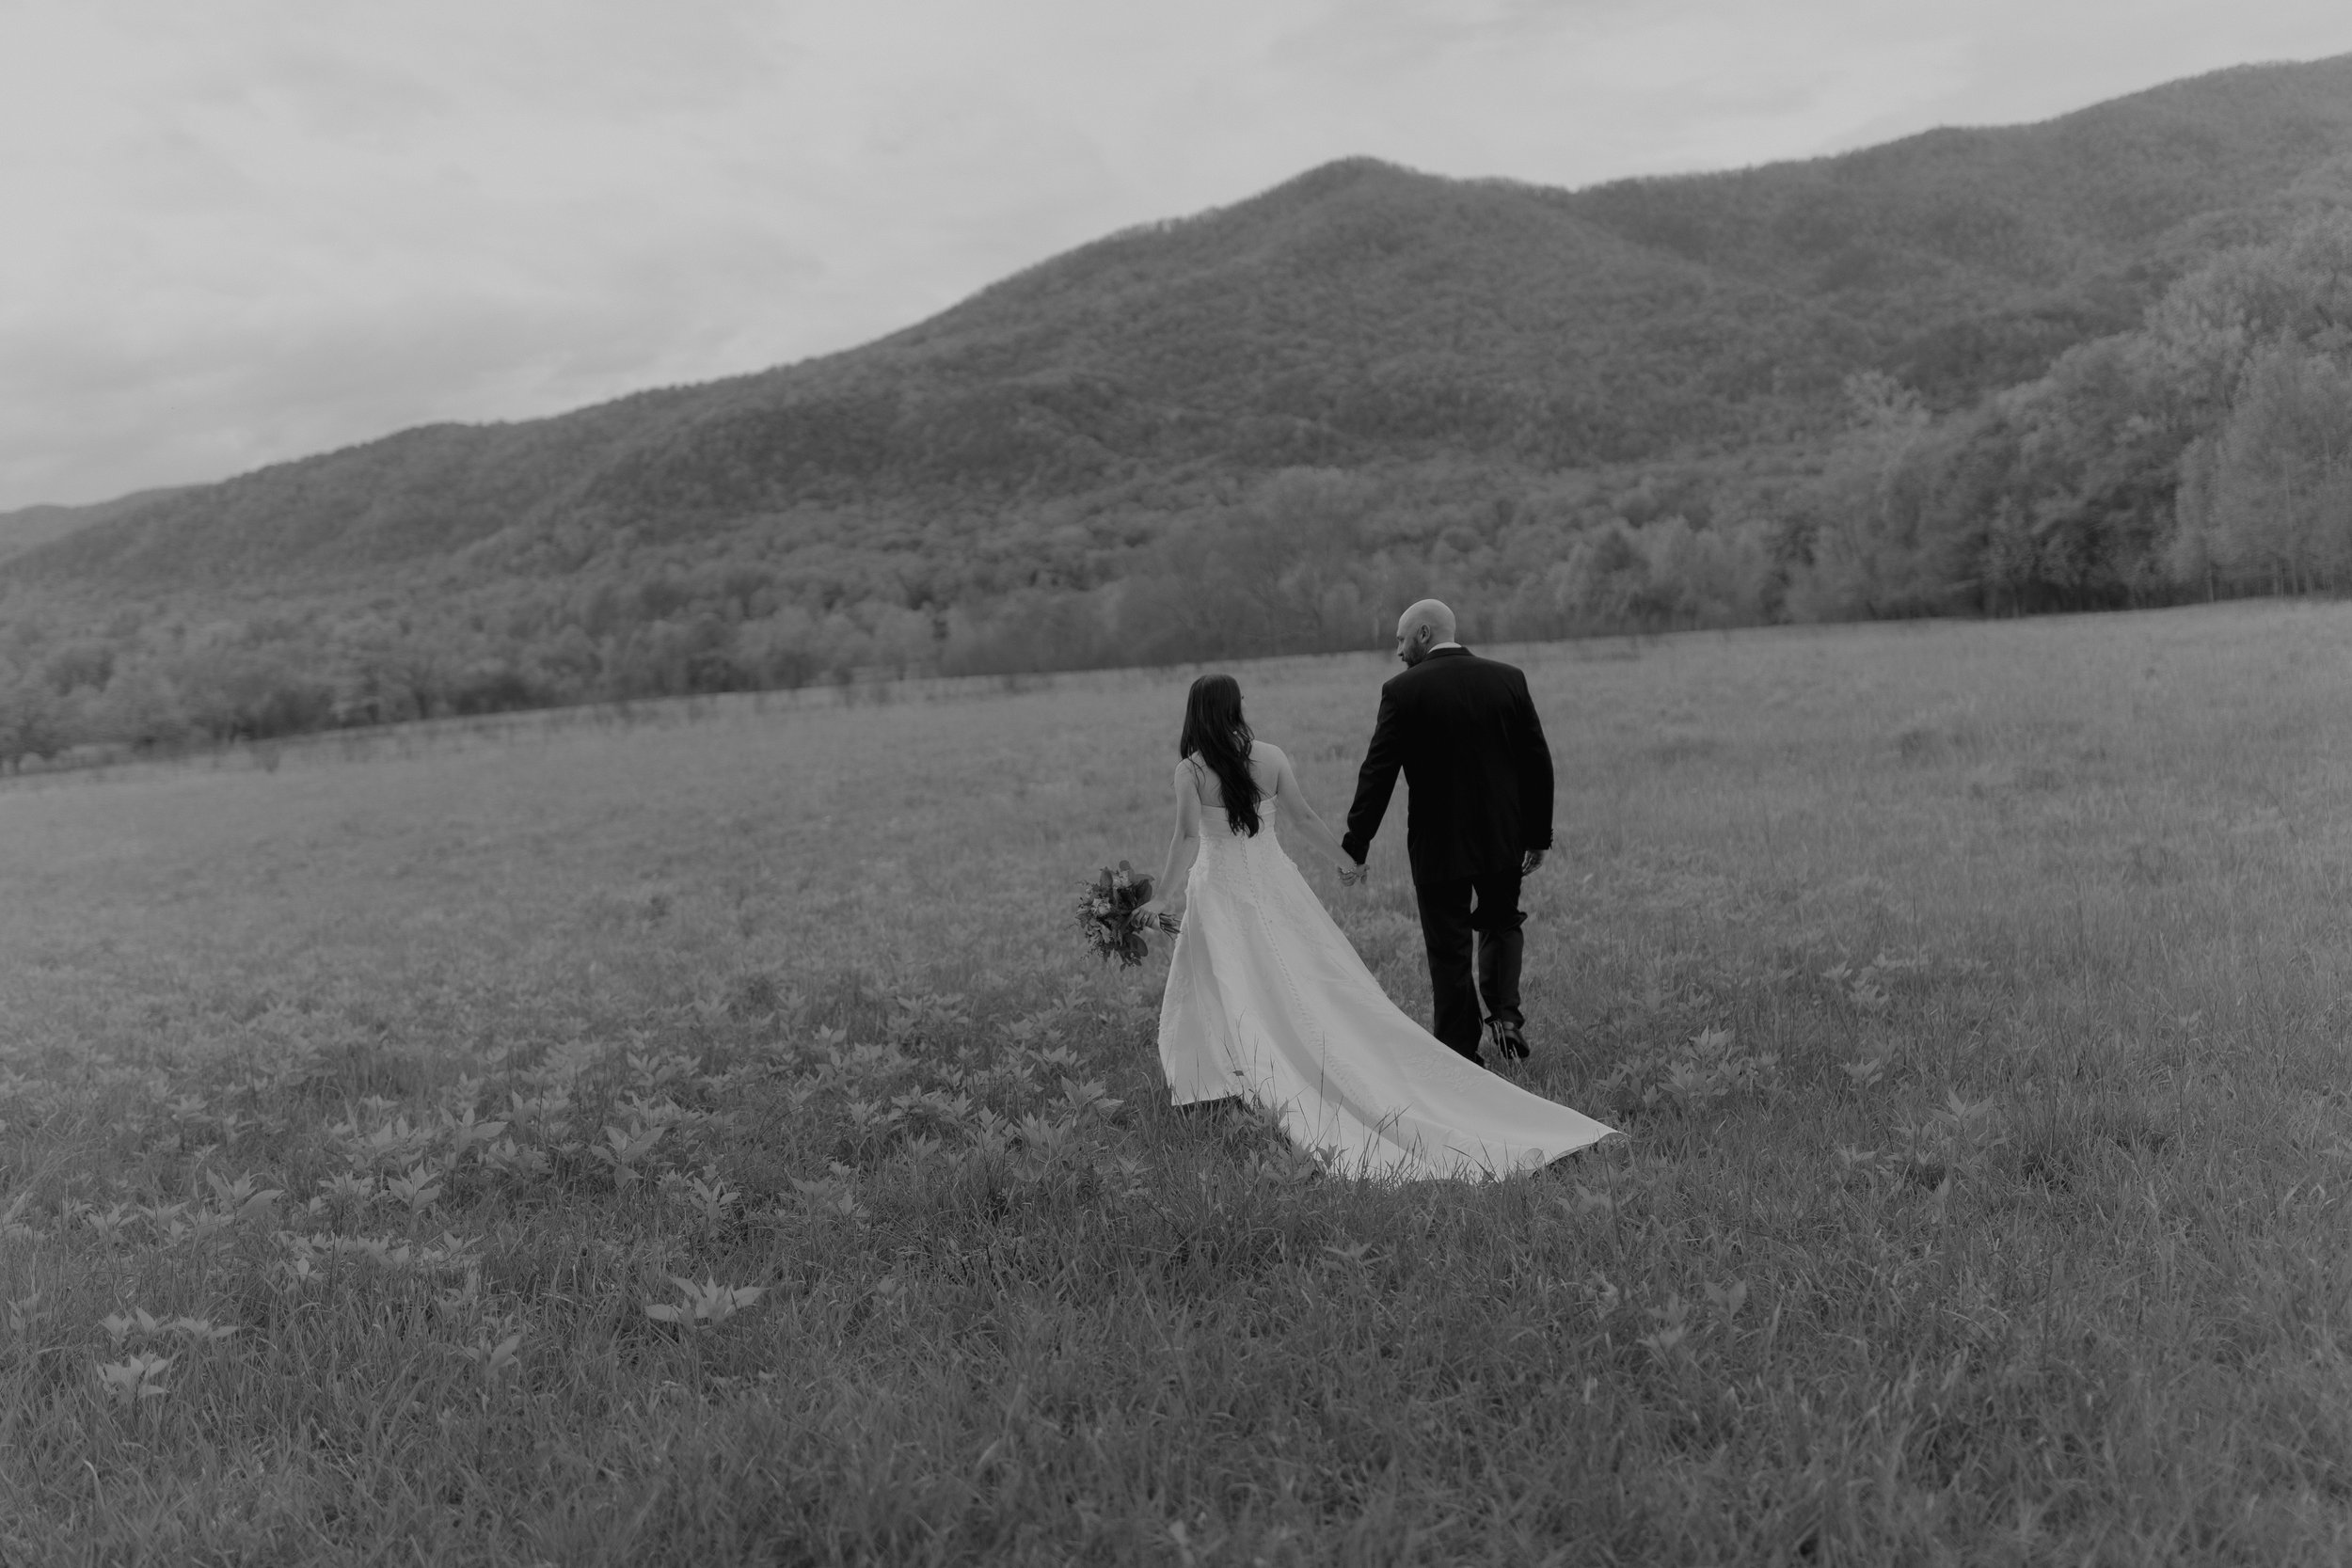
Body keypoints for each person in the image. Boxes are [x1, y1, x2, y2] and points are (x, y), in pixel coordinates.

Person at [1136, 673, 1613, 1180]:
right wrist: (1347, 861)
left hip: (1218, 891)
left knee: (1222, 981)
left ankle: (1231, 1077)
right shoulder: (1270, 757)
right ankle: (1261, 1068)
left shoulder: (1191, 771)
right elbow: (1303, 818)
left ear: (1195, 712)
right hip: (1274, 886)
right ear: (1235, 707)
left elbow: (1187, 837)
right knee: (1294, 975)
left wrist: (1161, 897)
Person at [1339, 599, 1553, 1067]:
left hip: (1439, 845)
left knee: (1448, 946)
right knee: (1501, 922)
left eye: (1401, 639)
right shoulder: (1508, 679)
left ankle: (1459, 1051)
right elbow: (1537, 763)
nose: (1398, 650)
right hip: (1502, 836)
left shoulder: (1402, 691)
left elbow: (1378, 774)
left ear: (1423, 634)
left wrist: (1356, 845)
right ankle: (1506, 1018)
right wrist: (1538, 835)